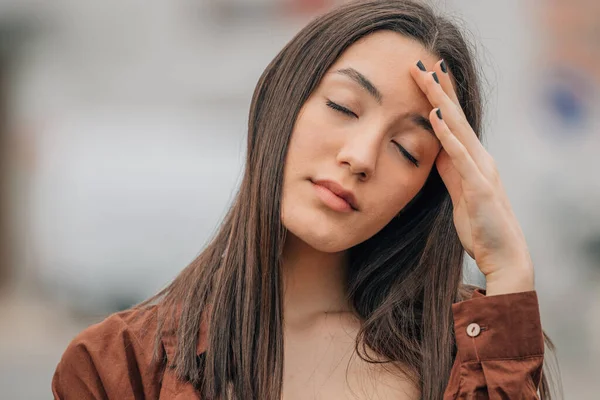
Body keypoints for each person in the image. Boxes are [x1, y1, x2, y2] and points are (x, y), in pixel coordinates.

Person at [52, 1, 560, 398]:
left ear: (426, 192)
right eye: (342, 106)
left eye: (407, 150)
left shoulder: (465, 350)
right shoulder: (119, 365)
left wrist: (509, 271)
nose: (360, 157)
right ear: (281, 99)